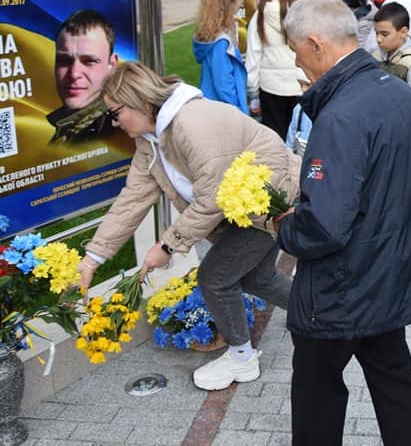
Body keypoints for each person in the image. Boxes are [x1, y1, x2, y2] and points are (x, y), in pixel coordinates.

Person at [276, 0, 411, 446]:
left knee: (316, 399)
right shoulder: (396, 92)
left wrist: (283, 227)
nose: (298, 66)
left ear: (316, 44)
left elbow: (325, 226)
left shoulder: (341, 115)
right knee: (395, 388)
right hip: (388, 278)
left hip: (340, 292)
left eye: (296, 53)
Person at [76, 61, 300, 390]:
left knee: (215, 277)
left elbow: (212, 197)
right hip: (241, 209)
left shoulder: (193, 123)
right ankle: (318, 315)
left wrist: (167, 246)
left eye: (114, 113)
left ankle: (242, 359)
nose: (113, 123)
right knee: (256, 276)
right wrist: (93, 258)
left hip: (269, 204)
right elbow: (133, 199)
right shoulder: (150, 141)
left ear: (139, 101)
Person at [246, 0, 306, 137]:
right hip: (301, 83)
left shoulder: (260, 15)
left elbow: (253, 57)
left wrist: (252, 89)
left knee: (276, 139)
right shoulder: (306, 12)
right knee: (302, 138)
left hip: (271, 87)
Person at [47, 10, 120, 142]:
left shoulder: (119, 131)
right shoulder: (68, 128)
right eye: (64, 60)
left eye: (90, 61)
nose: (74, 73)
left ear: (112, 65)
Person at [193, 0, 248, 114]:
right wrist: (238, 112)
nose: (241, 2)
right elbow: (223, 84)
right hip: (224, 112)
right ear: (230, 4)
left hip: (213, 107)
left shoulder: (214, 36)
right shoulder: (221, 42)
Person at [372, 3, 411, 108]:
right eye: (376, 33)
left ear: (403, 32)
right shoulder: (375, 55)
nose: (378, 39)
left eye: (384, 34)